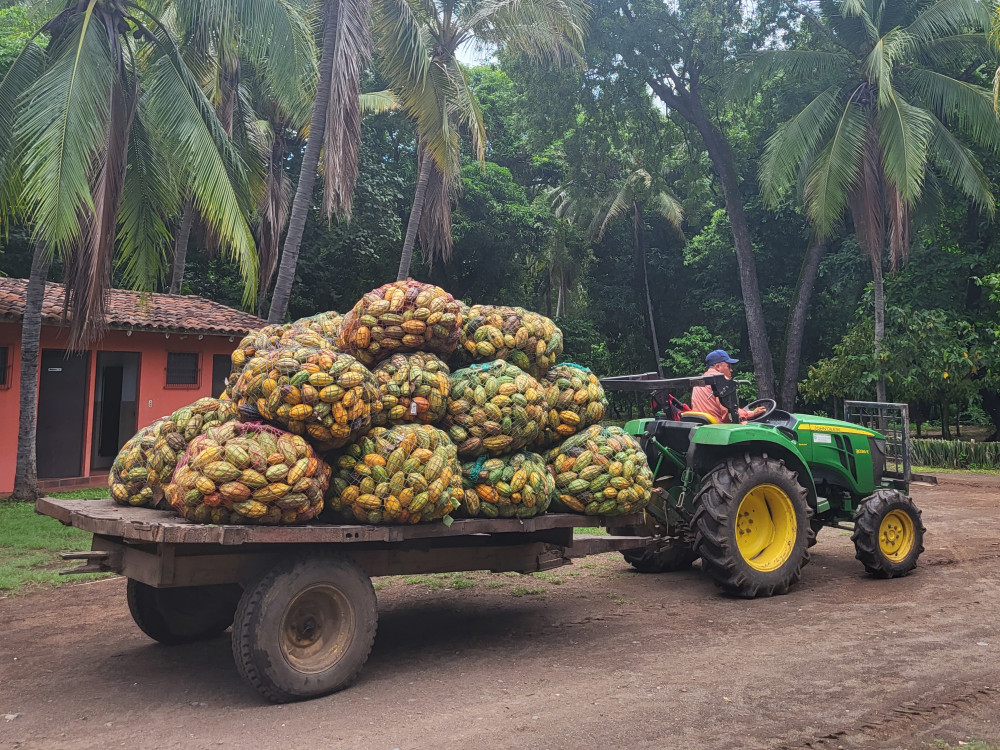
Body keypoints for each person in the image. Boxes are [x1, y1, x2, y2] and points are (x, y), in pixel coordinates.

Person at [690, 349, 766, 424]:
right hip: (718, 427)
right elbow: (728, 414)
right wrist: (752, 413)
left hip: (702, 426)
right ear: (718, 367)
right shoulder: (721, 380)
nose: (731, 370)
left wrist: (744, 412)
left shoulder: (698, 382)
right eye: (728, 366)